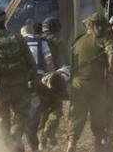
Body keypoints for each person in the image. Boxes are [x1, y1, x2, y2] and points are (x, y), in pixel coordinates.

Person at [0, 6, 36, 152]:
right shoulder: (18, 38)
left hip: (2, 86)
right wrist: (32, 81)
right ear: (4, 20)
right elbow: (31, 63)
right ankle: (15, 137)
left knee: (4, 119)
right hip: (21, 85)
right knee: (21, 114)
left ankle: (9, 145)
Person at [67, 12, 113, 152]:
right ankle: (98, 145)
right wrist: (110, 73)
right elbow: (112, 54)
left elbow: (72, 61)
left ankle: (72, 144)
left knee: (76, 114)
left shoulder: (79, 40)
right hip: (97, 84)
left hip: (77, 83)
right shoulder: (105, 39)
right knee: (98, 115)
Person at [20, 21, 55, 152]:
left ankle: (33, 144)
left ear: (22, 33)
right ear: (32, 32)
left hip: (22, 84)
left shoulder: (18, 43)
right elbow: (49, 61)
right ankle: (42, 137)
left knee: (25, 118)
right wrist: (51, 78)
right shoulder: (42, 41)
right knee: (41, 111)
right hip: (40, 81)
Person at [38, 16, 69, 150]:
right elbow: (64, 63)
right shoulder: (58, 42)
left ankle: (42, 142)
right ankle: (48, 131)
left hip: (38, 80)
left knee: (43, 110)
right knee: (56, 109)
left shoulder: (38, 40)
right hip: (53, 80)